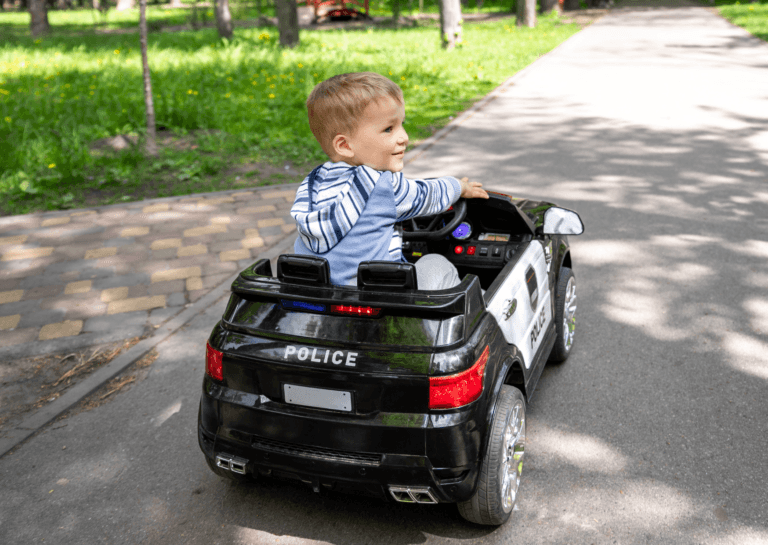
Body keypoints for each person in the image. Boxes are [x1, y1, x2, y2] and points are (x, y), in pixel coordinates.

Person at [290, 72, 489, 289]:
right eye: (388, 129)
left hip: (319, 296)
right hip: (380, 296)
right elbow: (427, 195)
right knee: (435, 264)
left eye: (401, 124)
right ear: (345, 146)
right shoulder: (382, 185)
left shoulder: (312, 184)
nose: (404, 137)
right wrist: (459, 186)